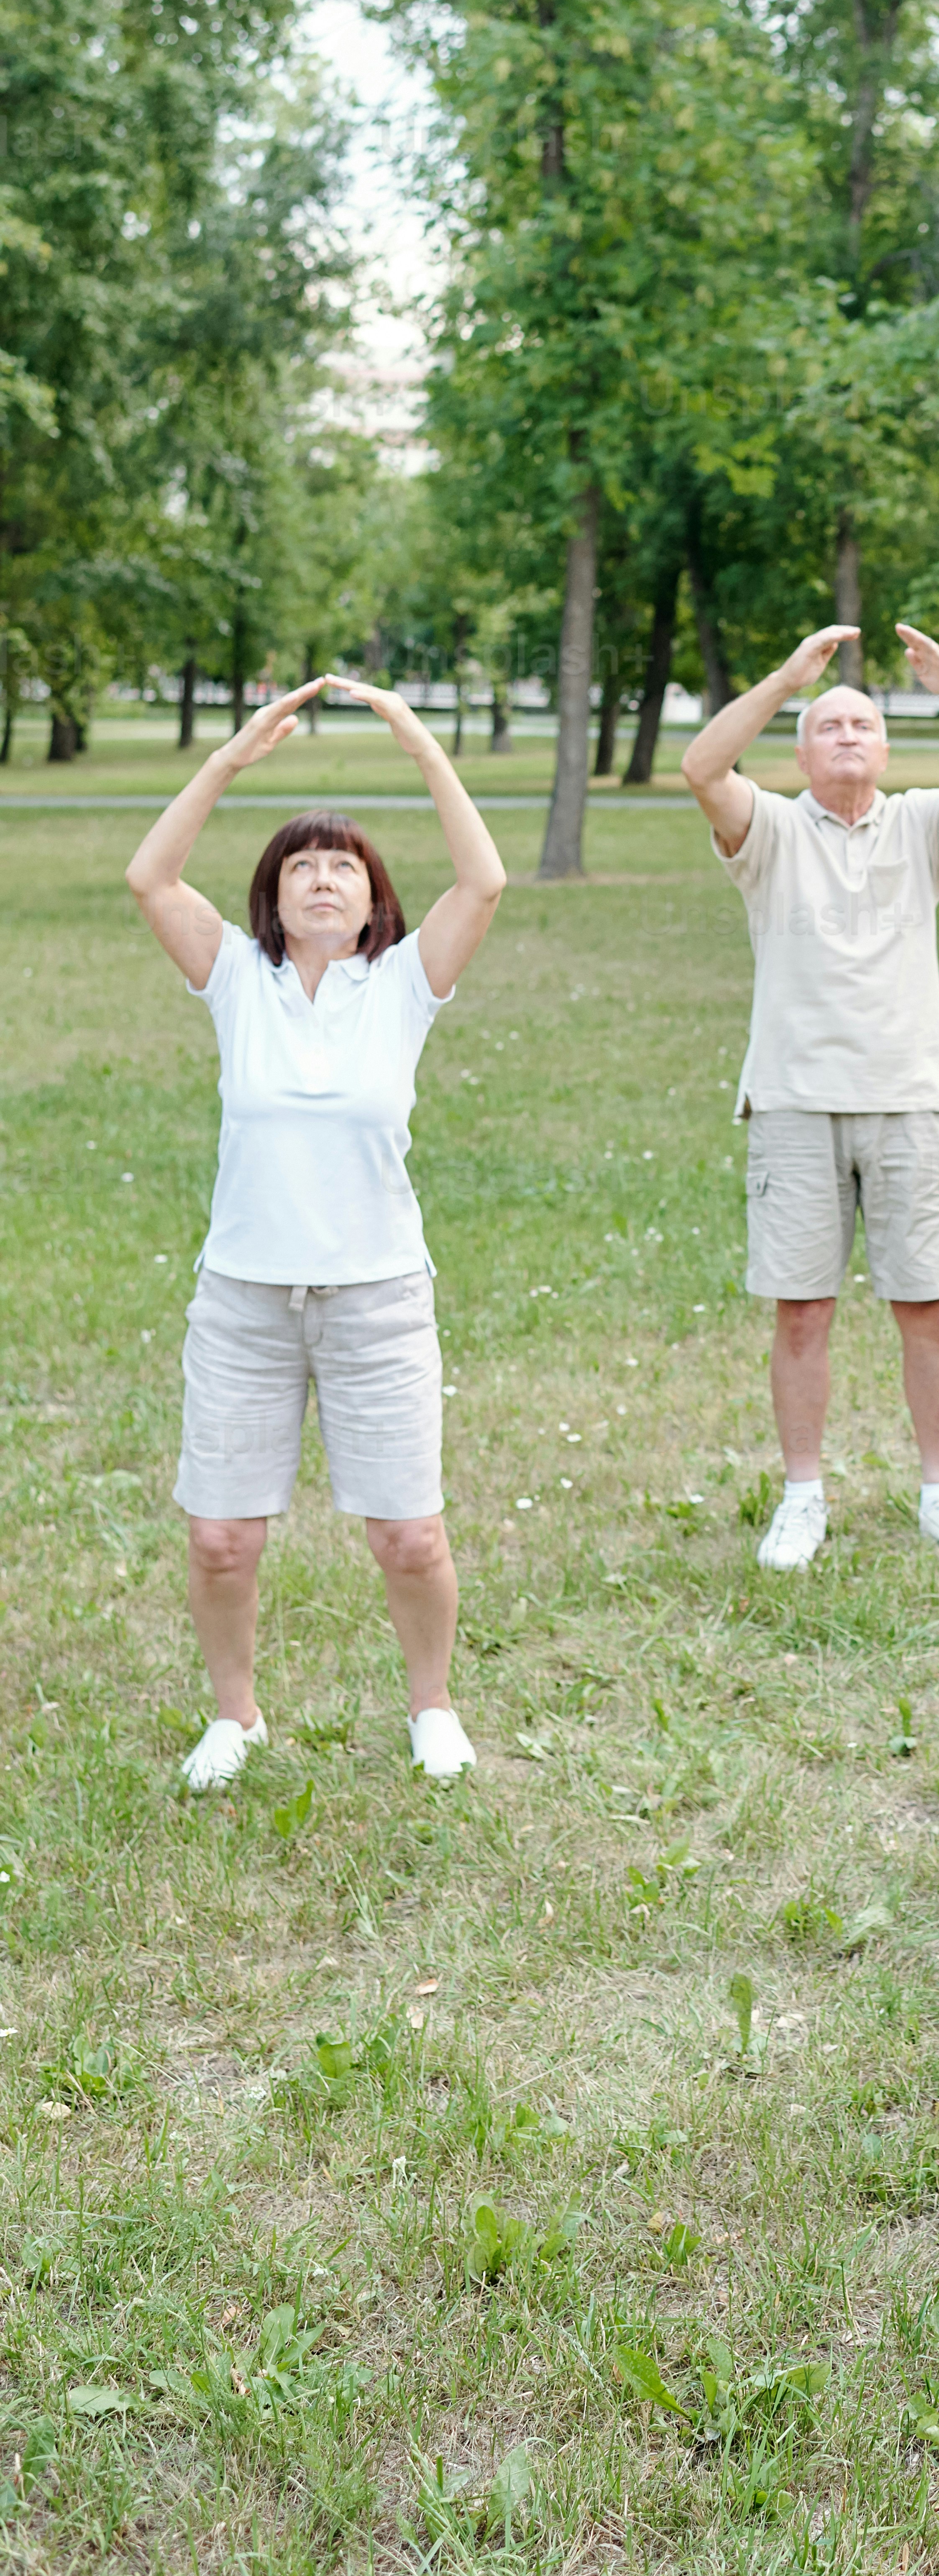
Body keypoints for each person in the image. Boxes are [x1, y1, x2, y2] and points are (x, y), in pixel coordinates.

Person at [123, 676, 509, 1791]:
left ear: (375, 899)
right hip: (243, 1300)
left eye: (344, 863)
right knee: (220, 1540)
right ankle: (235, 1717)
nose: (324, 876)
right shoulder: (235, 979)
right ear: (274, 897)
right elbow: (150, 876)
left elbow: (483, 878)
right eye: (302, 865)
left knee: (411, 1539)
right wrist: (233, 759)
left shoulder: (404, 986)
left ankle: (433, 1706)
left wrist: (419, 740)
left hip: (377, 1299)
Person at [682, 619, 939, 1572]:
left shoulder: (922, 824)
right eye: (827, 725)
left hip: (911, 1099)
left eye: (864, 724)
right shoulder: (770, 830)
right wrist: (789, 673)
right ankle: (801, 1496)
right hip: (794, 1102)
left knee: (931, 1310)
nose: (847, 736)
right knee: (802, 1311)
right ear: (798, 748)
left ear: (887, 747)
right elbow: (703, 766)